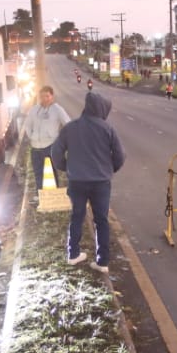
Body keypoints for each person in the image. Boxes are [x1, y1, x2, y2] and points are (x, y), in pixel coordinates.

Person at [50, 90, 125, 274]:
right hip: (101, 183)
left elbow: (56, 153)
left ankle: (73, 254)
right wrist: (109, 170)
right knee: (101, 220)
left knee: (77, 216)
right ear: (101, 109)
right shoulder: (108, 129)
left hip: (77, 181)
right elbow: (120, 156)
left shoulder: (70, 128)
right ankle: (102, 261)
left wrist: (67, 167)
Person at [21, 85, 71, 200]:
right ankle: (40, 194)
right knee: (38, 172)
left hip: (50, 146)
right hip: (35, 147)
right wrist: (31, 136)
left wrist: (61, 140)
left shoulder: (57, 110)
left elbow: (68, 124)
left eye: (47, 96)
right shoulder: (34, 110)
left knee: (52, 172)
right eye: (42, 96)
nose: (44, 99)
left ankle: (54, 196)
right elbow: (28, 125)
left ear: (52, 97)